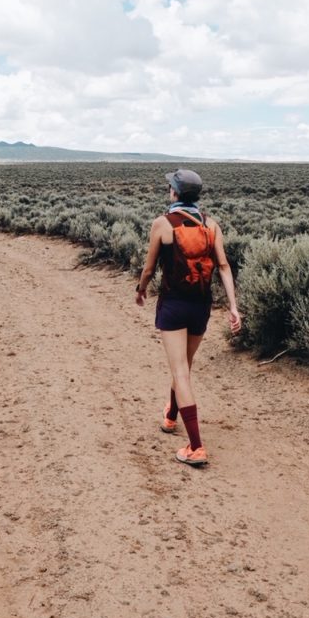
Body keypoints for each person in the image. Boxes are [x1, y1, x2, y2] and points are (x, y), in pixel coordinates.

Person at [135, 169, 241, 467]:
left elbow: (149, 267)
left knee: (180, 370)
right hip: (201, 306)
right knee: (184, 365)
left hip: (173, 305)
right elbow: (223, 266)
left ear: (175, 193)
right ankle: (171, 416)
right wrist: (233, 306)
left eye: (170, 187)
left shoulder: (163, 224)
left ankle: (196, 446)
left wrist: (141, 290)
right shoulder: (211, 224)